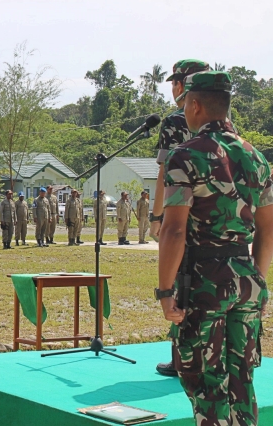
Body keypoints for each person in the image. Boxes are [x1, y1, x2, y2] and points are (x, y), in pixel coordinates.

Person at [158, 71, 273, 425]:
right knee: (241, 383)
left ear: (194, 105)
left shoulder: (186, 156)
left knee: (207, 385)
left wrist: (164, 291)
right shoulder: (257, 158)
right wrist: (257, 284)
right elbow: (268, 231)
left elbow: (174, 230)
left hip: (205, 283)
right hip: (247, 280)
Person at [152, 59, 210, 378]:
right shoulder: (222, 122)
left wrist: (157, 215)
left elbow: (166, 171)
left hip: (180, 211)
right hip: (212, 217)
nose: (174, 87)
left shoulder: (175, 120)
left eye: (177, 81)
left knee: (177, 282)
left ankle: (180, 358)